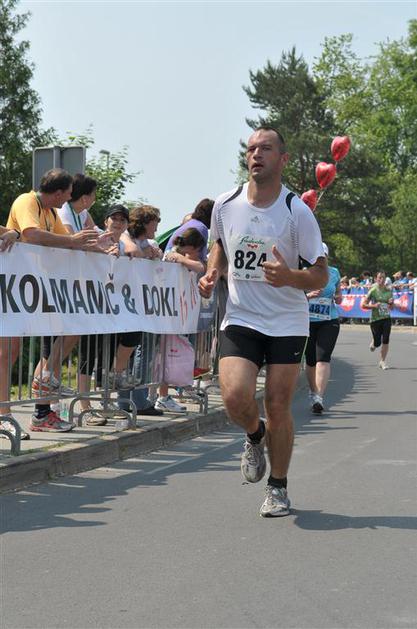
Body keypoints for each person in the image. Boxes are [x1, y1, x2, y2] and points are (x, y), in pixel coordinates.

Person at [198, 126, 327, 518]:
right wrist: (213, 271)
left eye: (266, 148)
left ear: (282, 159)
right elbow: (220, 245)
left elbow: (320, 275)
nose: (256, 154)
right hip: (242, 316)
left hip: (287, 321)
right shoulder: (226, 203)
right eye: (252, 148)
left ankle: (278, 488)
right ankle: (255, 436)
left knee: (277, 404)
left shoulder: (296, 211)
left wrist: (290, 277)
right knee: (235, 397)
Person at [6, 168, 98, 432]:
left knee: (73, 327)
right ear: (58, 193)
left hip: (36, 287)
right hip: (17, 288)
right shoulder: (28, 201)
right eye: (68, 194)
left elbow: (66, 242)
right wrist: (73, 240)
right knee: (8, 354)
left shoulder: (51, 212)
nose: (69, 198)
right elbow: (32, 234)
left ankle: (43, 397)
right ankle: (9, 414)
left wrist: (93, 245)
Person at [155, 228, 207, 412]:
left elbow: (201, 267)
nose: (199, 254)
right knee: (163, 357)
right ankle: (161, 396)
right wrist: (180, 258)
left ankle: (165, 394)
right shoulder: (169, 256)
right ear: (191, 247)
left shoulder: (183, 258)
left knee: (171, 356)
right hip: (166, 313)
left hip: (177, 314)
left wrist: (182, 259)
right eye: (198, 250)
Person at [305, 243, 342, 414]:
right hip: (307, 320)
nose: (321, 259)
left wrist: (338, 297)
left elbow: (339, 294)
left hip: (329, 319)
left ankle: (319, 397)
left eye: (324, 256)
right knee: (311, 360)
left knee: (323, 358)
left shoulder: (334, 272)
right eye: (318, 256)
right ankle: (313, 391)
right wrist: (308, 295)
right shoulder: (304, 271)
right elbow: (292, 295)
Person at [363, 270, 393, 370]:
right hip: (375, 319)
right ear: (376, 279)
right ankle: (374, 342)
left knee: (386, 339)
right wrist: (374, 306)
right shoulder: (373, 290)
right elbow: (363, 305)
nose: (382, 279)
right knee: (377, 343)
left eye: (383, 277)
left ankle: (382, 361)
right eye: (380, 277)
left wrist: (391, 303)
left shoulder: (388, 291)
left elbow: (391, 307)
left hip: (386, 318)